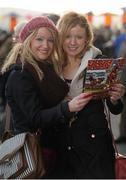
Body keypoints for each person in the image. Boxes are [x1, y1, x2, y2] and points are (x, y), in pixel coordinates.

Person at [1, 16, 93, 177]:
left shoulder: (45, 67)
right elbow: (34, 118)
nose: (46, 45)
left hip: (52, 149)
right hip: (33, 153)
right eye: (39, 39)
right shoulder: (21, 74)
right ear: (28, 40)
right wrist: (67, 108)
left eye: (51, 40)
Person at [51, 11, 125, 179]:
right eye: (67, 36)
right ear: (60, 36)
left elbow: (115, 109)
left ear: (87, 39)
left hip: (95, 146)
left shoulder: (99, 61)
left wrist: (115, 98)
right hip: (62, 146)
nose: (72, 42)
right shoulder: (52, 64)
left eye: (79, 37)